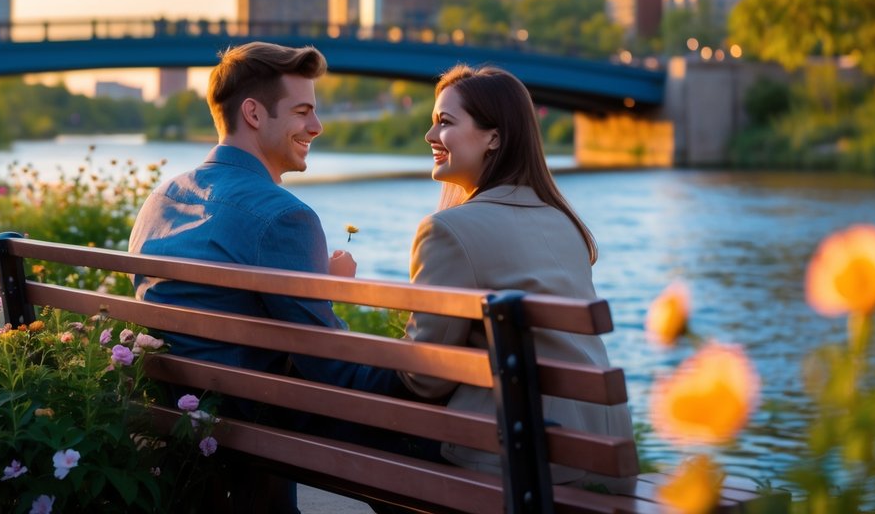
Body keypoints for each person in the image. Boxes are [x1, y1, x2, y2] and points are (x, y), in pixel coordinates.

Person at [128, 41, 404, 511]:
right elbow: (330, 366)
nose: (316, 126)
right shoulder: (282, 217)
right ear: (254, 114)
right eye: (302, 112)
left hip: (174, 405)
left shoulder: (163, 197)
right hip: (248, 417)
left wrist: (319, 282)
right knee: (428, 424)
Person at [399, 64, 634, 486]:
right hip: (599, 450)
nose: (430, 137)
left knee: (341, 414)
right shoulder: (567, 223)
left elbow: (425, 378)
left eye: (444, 123)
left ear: (494, 137)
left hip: (520, 459)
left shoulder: (447, 230)